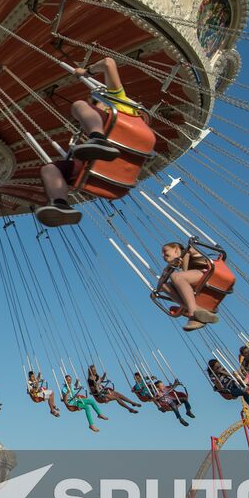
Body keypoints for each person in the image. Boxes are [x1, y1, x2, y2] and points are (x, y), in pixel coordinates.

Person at [34, 57, 144, 227]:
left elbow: (108, 63)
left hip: (116, 140)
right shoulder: (97, 127)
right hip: (107, 169)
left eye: (94, 104)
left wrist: (86, 72)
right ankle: (60, 204)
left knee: (78, 105)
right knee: (50, 169)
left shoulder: (117, 100)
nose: (93, 107)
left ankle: (99, 139)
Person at [156, 242, 220, 331]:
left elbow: (188, 252)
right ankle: (197, 311)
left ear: (176, 249)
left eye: (165, 251)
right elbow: (159, 287)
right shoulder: (176, 265)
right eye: (162, 254)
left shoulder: (189, 250)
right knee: (164, 285)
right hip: (196, 281)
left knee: (175, 276)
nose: (163, 255)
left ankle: (192, 313)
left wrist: (183, 270)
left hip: (206, 274)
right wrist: (167, 269)